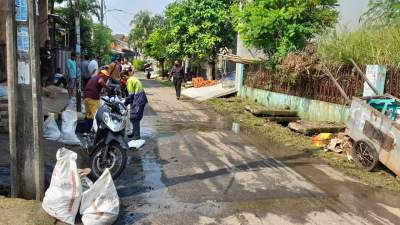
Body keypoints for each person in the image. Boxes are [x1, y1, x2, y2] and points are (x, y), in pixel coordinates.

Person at [124, 70, 148, 140]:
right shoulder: (133, 78)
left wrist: (125, 103)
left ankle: (137, 135)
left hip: (139, 99)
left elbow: (131, 95)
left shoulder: (129, 81)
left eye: (122, 78)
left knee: (135, 117)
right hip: (140, 98)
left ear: (124, 76)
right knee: (134, 117)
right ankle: (134, 132)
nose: (122, 80)